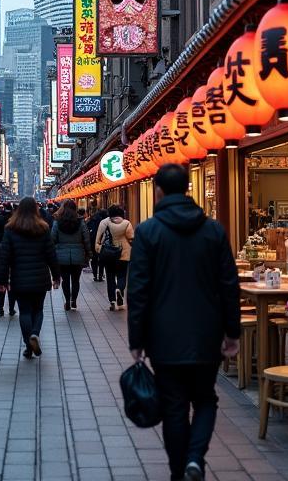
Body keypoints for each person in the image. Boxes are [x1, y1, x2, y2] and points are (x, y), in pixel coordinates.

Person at [126, 165, 241, 481]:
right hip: (206, 332)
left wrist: (136, 339)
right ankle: (194, 459)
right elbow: (228, 284)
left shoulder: (148, 232)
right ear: (188, 189)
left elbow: (138, 290)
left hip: (163, 337)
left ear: (158, 191)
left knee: (174, 406)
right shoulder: (213, 231)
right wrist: (233, 331)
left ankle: (181, 472)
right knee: (205, 398)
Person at [0, 197, 59, 359]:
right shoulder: (43, 228)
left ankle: (28, 345)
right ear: (36, 210)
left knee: (24, 312)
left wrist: (1, 280)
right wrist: (56, 276)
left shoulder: (10, 229)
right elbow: (51, 254)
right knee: (38, 310)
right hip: (40, 277)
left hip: (19, 278)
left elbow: (4, 257)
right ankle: (35, 334)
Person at [51, 200, 91, 311]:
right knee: (75, 280)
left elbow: (52, 239)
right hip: (78, 255)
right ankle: (74, 300)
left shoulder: (57, 222)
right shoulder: (81, 222)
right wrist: (89, 253)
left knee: (65, 280)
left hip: (62, 256)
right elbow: (86, 238)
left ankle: (67, 301)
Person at [94, 204, 134, 311]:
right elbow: (131, 238)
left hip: (108, 254)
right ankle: (119, 289)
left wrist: (98, 250)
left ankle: (112, 301)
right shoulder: (126, 223)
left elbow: (98, 238)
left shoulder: (104, 223)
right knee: (121, 275)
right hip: (123, 254)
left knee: (110, 277)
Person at [0, 203, 16, 318]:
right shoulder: (14, 223)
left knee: (0, 281)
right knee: (12, 283)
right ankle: (11, 308)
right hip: (13, 256)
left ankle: (0, 308)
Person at [87, 204, 108, 282]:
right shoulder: (105, 221)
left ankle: (95, 275)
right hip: (103, 242)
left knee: (94, 259)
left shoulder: (91, 220)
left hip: (93, 242)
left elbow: (87, 231)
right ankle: (100, 275)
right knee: (102, 260)